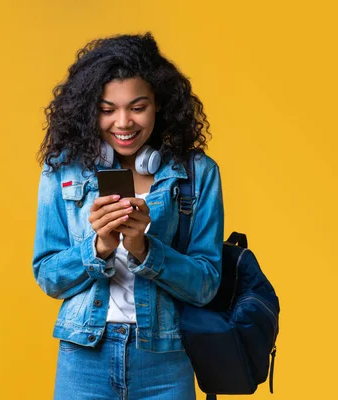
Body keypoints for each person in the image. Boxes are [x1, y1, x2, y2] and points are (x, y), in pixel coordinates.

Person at [32, 32, 224, 400]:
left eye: (138, 107)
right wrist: (99, 247)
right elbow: (49, 276)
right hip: (84, 358)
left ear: (160, 106)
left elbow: (206, 283)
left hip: (165, 360)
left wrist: (144, 249)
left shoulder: (197, 173)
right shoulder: (62, 171)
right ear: (90, 111)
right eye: (107, 110)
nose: (123, 122)